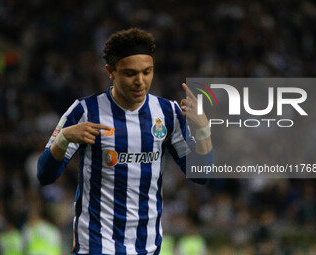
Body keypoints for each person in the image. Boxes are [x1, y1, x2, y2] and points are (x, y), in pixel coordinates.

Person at [37, 27, 213, 255]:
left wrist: (203, 131)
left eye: (147, 72)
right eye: (131, 73)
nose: (140, 81)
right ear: (111, 72)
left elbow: (201, 174)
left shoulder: (167, 113)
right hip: (96, 246)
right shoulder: (85, 111)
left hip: (146, 247)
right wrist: (63, 138)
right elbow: (44, 174)